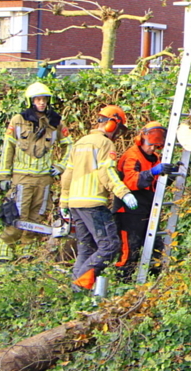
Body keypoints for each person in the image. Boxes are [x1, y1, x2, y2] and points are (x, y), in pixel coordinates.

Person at [59, 106, 140, 291]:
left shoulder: (79, 143)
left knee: (86, 249)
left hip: (75, 204)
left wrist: (64, 202)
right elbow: (107, 172)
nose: (118, 134)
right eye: (119, 129)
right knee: (110, 245)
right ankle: (81, 285)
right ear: (112, 124)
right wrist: (124, 193)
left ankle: (76, 293)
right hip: (93, 203)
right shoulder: (105, 144)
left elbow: (67, 175)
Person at [0, 81, 73, 261]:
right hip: (22, 177)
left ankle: (28, 249)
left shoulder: (55, 122)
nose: (41, 102)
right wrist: (4, 175)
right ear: (31, 101)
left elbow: (69, 145)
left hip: (44, 178)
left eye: (44, 99)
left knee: (37, 215)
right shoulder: (18, 120)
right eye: (38, 99)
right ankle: (6, 249)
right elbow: (8, 147)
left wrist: (60, 166)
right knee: (17, 214)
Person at [114, 121, 177, 280]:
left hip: (148, 209)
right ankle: (122, 283)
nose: (152, 149)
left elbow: (156, 184)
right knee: (130, 250)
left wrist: (172, 173)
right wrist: (152, 172)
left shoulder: (155, 158)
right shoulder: (132, 156)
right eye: (150, 145)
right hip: (128, 211)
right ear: (142, 139)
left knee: (157, 249)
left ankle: (155, 283)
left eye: (156, 146)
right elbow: (131, 181)